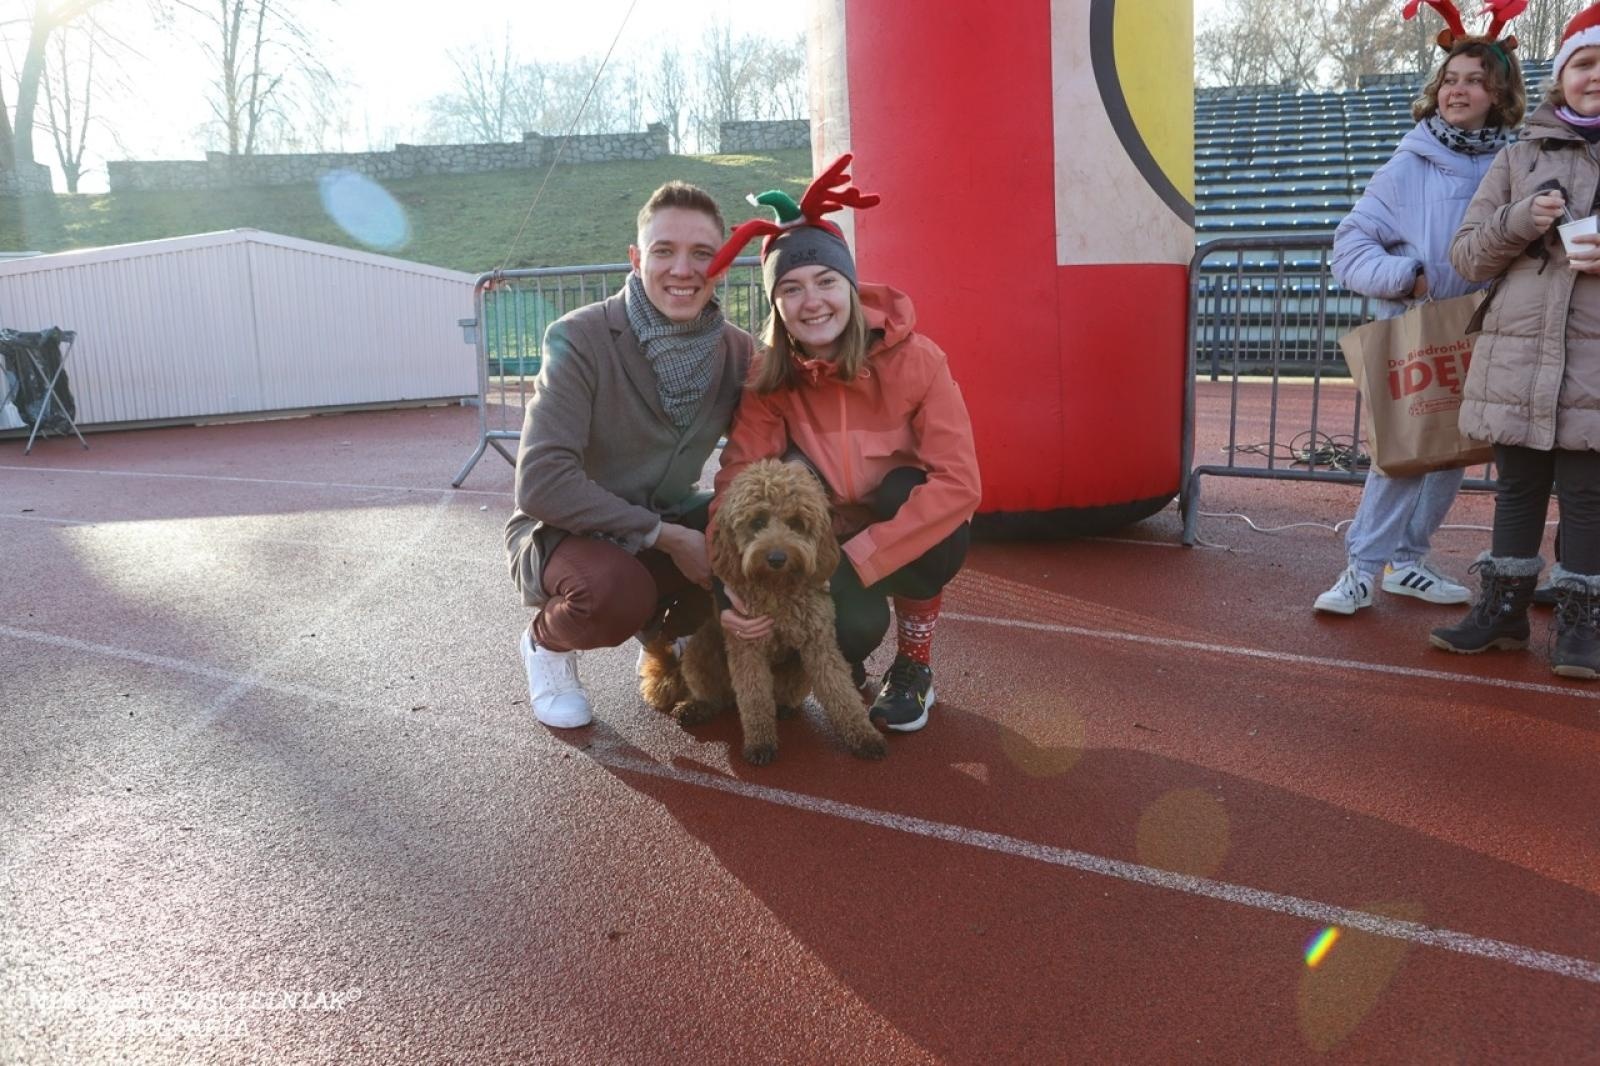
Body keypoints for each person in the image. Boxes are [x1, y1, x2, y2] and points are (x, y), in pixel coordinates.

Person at [706, 155, 982, 732]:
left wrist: (862, 558)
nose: (813, 302)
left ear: (851, 287)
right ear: (776, 306)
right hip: (824, 532)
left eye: (826, 281)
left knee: (920, 503)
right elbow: (735, 479)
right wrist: (723, 574)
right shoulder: (767, 378)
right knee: (849, 628)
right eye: (792, 288)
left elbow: (959, 483)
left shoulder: (919, 360)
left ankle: (913, 666)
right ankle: (850, 663)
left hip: (887, 527)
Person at [506, 181, 754, 727]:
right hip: (564, 531)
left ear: (726, 264)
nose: (682, 270)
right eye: (664, 251)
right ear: (637, 258)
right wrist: (668, 537)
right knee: (615, 593)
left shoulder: (737, 350)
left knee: (746, 538)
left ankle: (666, 636)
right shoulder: (579, 336)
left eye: (702, 253)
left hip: (664, 514)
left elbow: (769, 443)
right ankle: (546, 646)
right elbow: (542, 483)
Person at [1314, 32, 1526, 615]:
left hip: (1489, 331)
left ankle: (1408, 562)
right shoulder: (1410, 163)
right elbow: (1349, 248)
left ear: (1499, 92)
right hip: (1421, 327)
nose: (1459, 90)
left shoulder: (1516, 158)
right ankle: (1360, 568)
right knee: (1403, 451)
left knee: (1451, 451)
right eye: (1451, 79)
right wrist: (1413, 278)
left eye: (1475, 80)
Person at [1433, 2, 1600, 678]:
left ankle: (1582, 624)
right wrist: (1520, 220)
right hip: (1518, 354)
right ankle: (1502, 614)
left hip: (1592, 360)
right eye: (1586, 63)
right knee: (1519, 487)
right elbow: (1468, 256)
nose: (1596, 77)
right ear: (1562, 76)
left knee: (1590, 494)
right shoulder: (1517, 156)